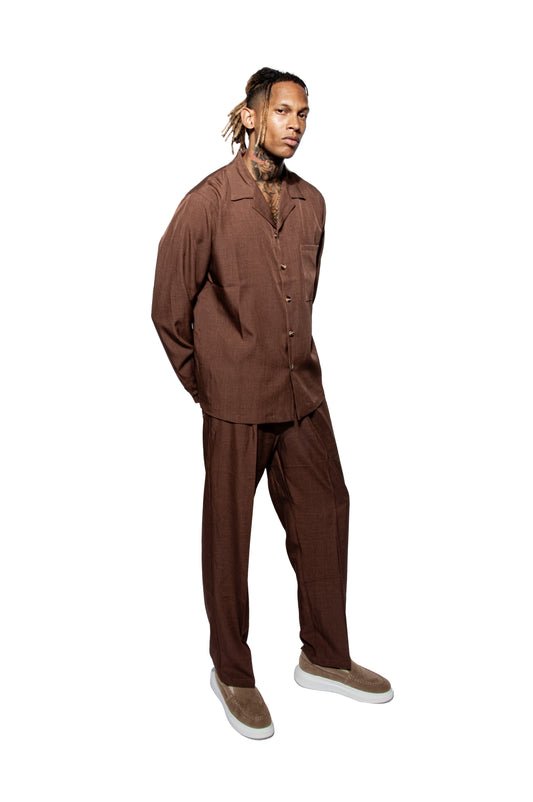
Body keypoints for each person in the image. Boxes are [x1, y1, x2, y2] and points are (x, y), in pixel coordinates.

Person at [151, 67, 393, 740]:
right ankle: (232, 672)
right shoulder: (206, 202)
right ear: (251, 115)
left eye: (304, 114)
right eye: (283, 111)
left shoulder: (313, 202)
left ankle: (325, 655)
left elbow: (302, 297)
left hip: (301, 391)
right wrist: (211, 384)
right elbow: (167, 309)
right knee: (229, 534)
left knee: (327, 509)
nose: (296, 124)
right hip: (234, 399)